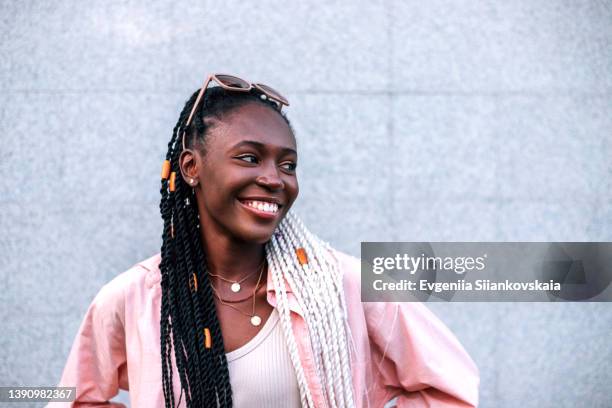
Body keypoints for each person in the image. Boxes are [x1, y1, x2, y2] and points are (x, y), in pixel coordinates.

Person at [50, 74, 479, 407]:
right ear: (191, 167)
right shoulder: (134, 298)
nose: (274, 179)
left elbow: (450, 388)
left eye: (287, 165)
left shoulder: (346, 285)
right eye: (249, 158)